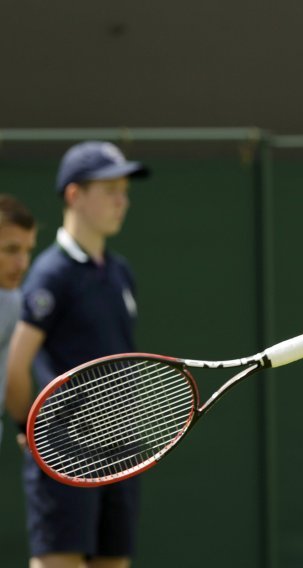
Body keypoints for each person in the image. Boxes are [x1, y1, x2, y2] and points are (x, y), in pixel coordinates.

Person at [5, 141, 149, 568]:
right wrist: (26, 429)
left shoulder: (121, 272)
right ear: (74, 195)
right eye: (110, 190)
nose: (121, 200)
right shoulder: (51, 273)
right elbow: (17, 365)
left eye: (124, 190)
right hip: (64, 451)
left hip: (121, 450)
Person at [0, 194, 37, 451]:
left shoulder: (11, 301)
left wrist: (27, 427)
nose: (23, 264)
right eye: (11, 250)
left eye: (27, 251)